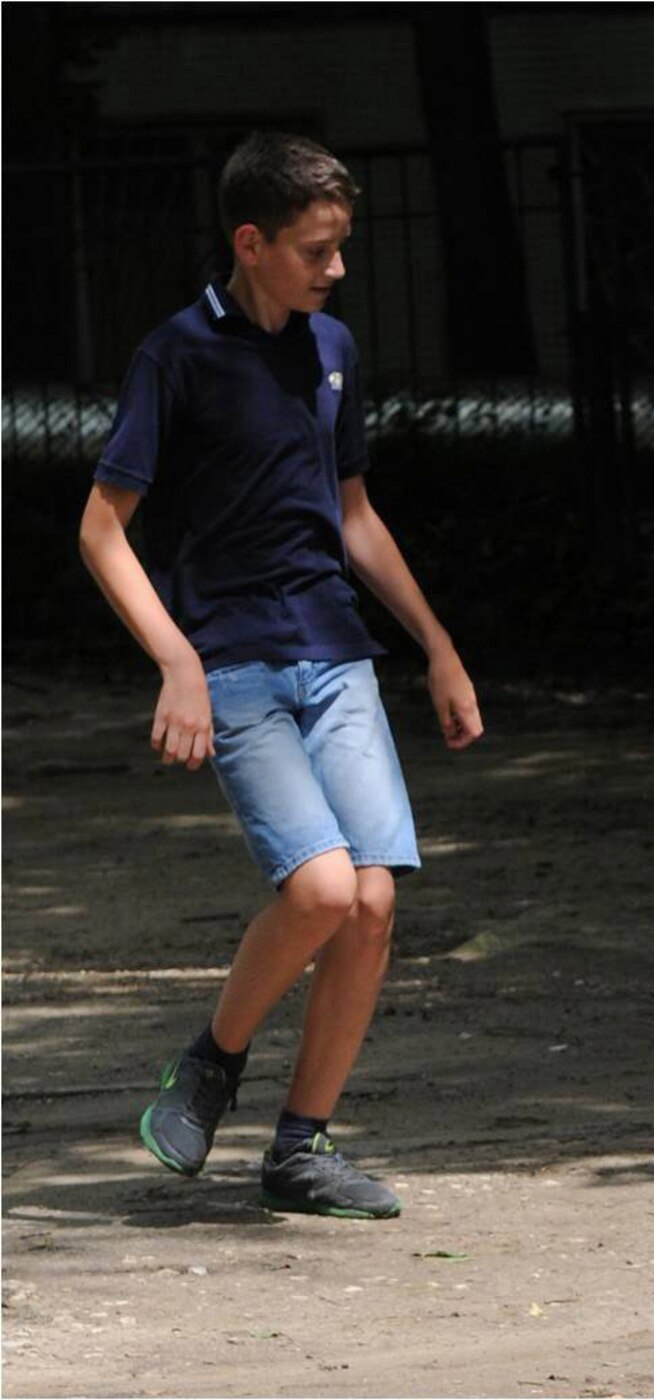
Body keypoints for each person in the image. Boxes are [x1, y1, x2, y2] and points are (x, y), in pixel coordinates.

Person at [77, 131, 484, 1219]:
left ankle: (299, 1148)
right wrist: (176, 662)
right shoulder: (177, 355)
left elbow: (354, 516)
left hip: (337, 653)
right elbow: (103, 530)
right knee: (318, 888)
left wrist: (436, 645)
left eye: (341, 247)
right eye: (316, 249)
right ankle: (212, 1058)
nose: (337, 268)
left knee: (372, 901)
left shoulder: (330, 347)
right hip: (236, 659)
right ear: (249, 243)